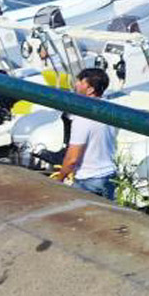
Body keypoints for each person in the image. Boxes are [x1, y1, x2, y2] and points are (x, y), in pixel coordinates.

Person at [53, 67, 118, 200]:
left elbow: (72, 159)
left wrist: (59, 179)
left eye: (80, 82)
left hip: (88, 179)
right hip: (109, 175)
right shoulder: (110, 109)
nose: (76, 85)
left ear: (90, 90)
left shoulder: (82, 117)